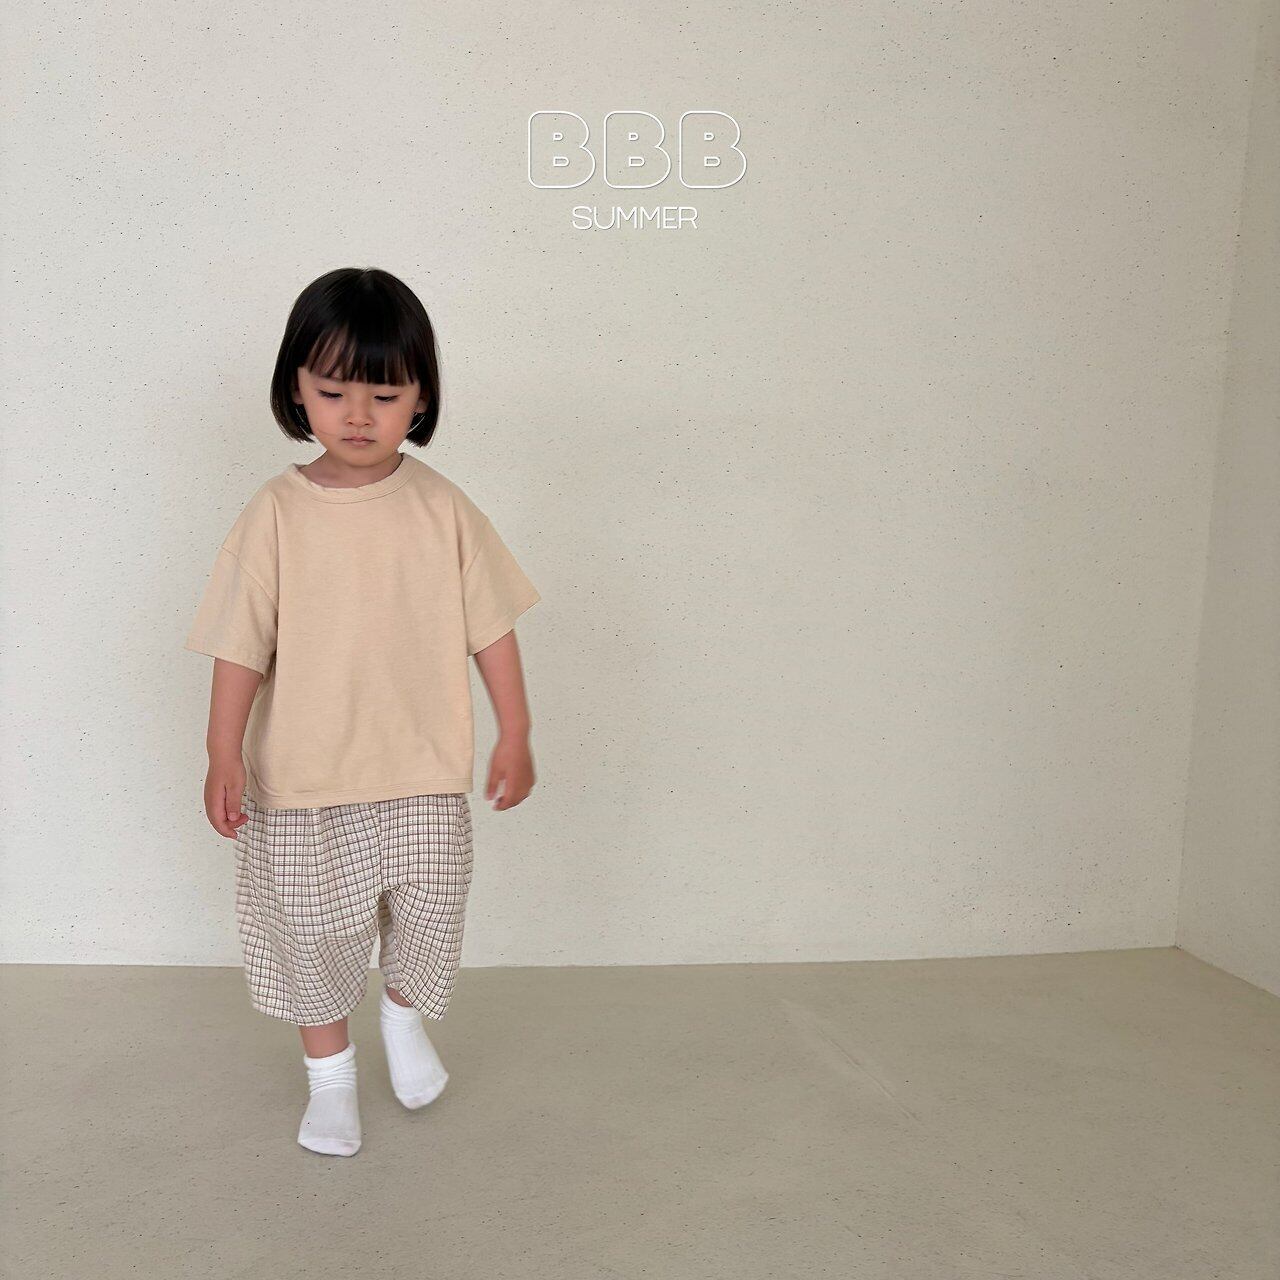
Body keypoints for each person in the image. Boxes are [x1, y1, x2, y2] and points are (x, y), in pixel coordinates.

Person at [184, 267, 541, 1157]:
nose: (356, 416)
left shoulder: (443, 508)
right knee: (313, 936)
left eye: (383, 396)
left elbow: (492, 627)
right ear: (295, 390)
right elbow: (238, 642)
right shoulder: (275, 513)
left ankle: (403, 1017)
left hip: (421, 764)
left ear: (420, 399)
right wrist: (222, 750)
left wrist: (517, 730)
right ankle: (332, 1080)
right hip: (304, 777)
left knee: (433, 907)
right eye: (333, 391)